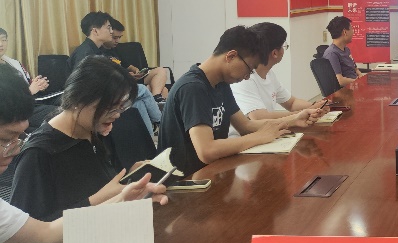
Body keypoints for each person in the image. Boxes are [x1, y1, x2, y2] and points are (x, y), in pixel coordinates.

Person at [0, 67, 167, 243]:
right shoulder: (39, 152)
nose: (12, 151)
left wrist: (121, 199)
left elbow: (44, 234)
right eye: (5, 140)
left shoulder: (94, 135)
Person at [10, 57, 168, 222]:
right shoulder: (38, 154)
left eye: (121, 107)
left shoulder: (94, 131)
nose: (117, 115)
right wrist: (101, 199)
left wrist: (131, 176)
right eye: (110, 107)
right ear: (78, 99)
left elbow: (102, 184)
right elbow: (27, 230)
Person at [157, 26, 311, 176]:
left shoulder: (220, 83)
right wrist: (258, 137)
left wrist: (294, 120)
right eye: (249, 69)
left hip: (212, 172)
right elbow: (207, 151)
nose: (247, 77)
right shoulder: (193, 88)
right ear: (231, 56)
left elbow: (245, 126)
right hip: (185, 181)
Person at [230, 22, 326, 131]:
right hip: (249, 137)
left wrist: (315, 106)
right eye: (283, 46)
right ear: (275, 53)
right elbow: (258, 117)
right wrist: (301, 114)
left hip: (267, 132)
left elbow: (292, 103)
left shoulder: (269, 74)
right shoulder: (245, 78)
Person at [105, 16, 170, 99]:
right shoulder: (101, 53)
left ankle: (156, 97)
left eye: (119, 37)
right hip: (121, 83)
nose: (117, 41)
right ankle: (156, 98)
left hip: (132, 79)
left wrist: (136, 71)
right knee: (162, 90)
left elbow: (129, 66)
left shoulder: (116, 49)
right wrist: (126, 75)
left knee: (161, 71)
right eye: (114, 38)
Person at [0, 27, 50, 96]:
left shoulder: (15, 64)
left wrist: (38, 85)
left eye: (3, 40)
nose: (1, 44)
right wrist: (29, 91)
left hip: (30, 100)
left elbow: (27, 84)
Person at [323, 16, 359, 87]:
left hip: (355, 85)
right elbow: (340, 80)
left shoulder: (346, 50)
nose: (353, 32)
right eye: (351, 29)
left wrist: (362, 78)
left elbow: (356, 69)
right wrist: (358, 82)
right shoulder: (332, 54)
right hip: (347, 90)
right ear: (345, 32)